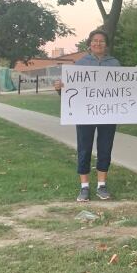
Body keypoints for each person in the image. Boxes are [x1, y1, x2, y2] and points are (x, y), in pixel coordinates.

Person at [54, 29, 120, 202]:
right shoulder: (80, 63)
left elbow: (124, 89)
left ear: (106, 44)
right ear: (90, 44)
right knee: (84, 149)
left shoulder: (115, 64)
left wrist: (136, 93)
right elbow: (71, 91)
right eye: (95, 41)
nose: (98, 43)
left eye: (102, 41)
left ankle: (101, 185)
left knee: (105, 148)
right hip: (84, 114)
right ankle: (84, 188)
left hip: (108, 114)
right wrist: (60, 89)